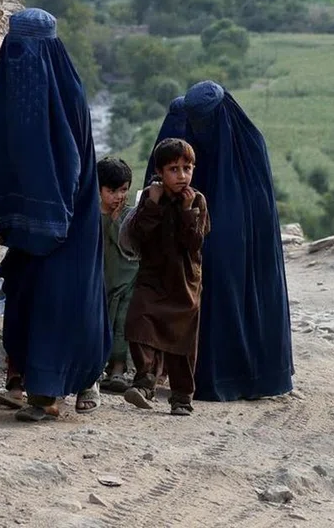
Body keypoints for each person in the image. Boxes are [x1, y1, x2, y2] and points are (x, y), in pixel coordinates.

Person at [0, 8, 110, 422]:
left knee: (58, 299)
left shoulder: (66, 94)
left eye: (29, 50)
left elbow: (68, 163)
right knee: (26, 297)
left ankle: (48, 394)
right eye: (15, 49)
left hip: (69, 217)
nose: (21, 58)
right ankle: (29, 383)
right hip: (30, 220)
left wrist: (53, 215)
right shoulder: (18, 86)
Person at [146, 81, 294, 402]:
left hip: (249, 245)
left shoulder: (250, 144)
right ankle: (208, 378)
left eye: (206, 121)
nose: (201, 129)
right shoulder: (195, 145)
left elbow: (261, 205)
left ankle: (255, 376)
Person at [123, 138, 210, 416]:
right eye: (174, 169)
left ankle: (181, 398)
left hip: (185, 282)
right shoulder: (150, 196)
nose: (182, 175)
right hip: (153, 278)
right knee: (138, 322)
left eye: (187, 168)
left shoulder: (197, 200)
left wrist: (187, 212)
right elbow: (137, 236)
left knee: (182, 342)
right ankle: (146, 379)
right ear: (160, 171)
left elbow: (195, 244)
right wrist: (153, 205)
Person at [96, 157, 139, 394]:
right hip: (101, 282)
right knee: (102, 323)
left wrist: (116, 220)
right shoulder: (91, 215)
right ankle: (95, 368)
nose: (118, 197)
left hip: (127, 280)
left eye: (123, 190)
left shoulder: (130, 216)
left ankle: (118, 371)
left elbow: (130, 246)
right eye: (111, 190)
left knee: (122, 324)